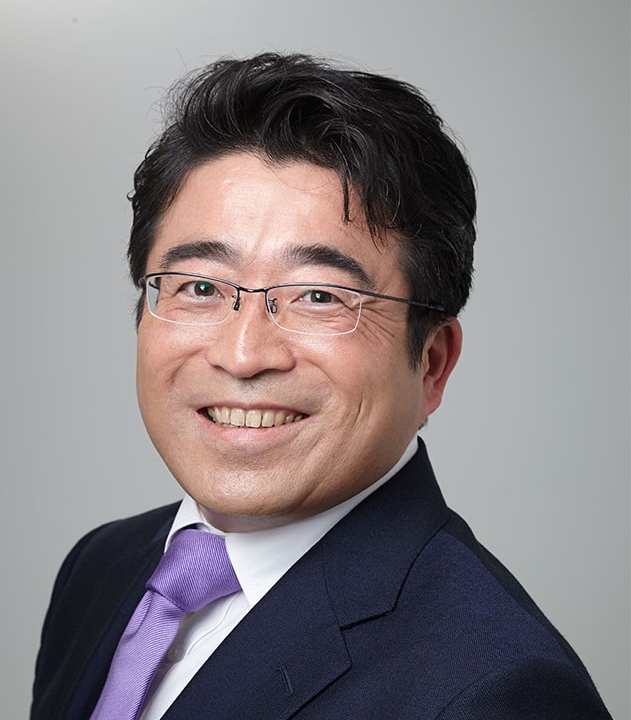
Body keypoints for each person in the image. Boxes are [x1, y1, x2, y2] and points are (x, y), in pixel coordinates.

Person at [31, 53, 611, 719]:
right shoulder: (102, 568)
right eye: (199, 286)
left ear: (432, 363)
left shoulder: (498, 690)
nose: (243, 355)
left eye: (318, 296)